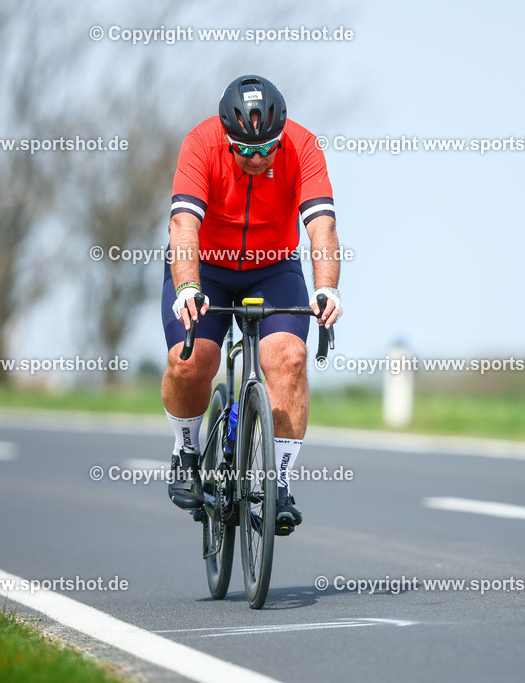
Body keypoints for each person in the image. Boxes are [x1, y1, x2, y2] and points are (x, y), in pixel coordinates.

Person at [161, 75, 341, 535]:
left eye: (267, 149)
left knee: (290, 358)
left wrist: (326, 288)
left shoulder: (302, 146)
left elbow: (322, 226)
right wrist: (187, 287)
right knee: (191, 361)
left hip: (272, 267)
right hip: (207, 268)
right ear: (227, 136)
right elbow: (183, 224)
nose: (257, 159)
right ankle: (186, 451)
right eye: (244, 150)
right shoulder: (200, 144)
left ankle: (278, 484)